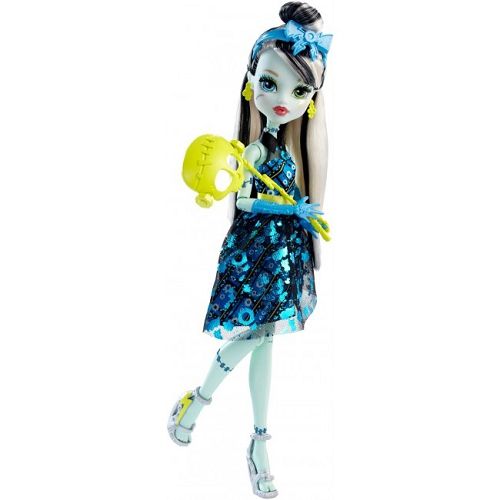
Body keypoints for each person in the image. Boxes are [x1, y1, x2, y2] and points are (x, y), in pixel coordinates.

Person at [168, 2, 331, 497]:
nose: (283, 100)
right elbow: (243, 200)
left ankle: (258, 439)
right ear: (250, 85)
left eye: (300, 91)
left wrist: (305, 216)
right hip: (255, 249)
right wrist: (289, 209)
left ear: (312, 101)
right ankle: (199, 400)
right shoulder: (254, 151)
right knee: (256, 335)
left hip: (285, 252)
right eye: (270, 84)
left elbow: (294, 192)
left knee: (267, 339)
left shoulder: (292, 149)